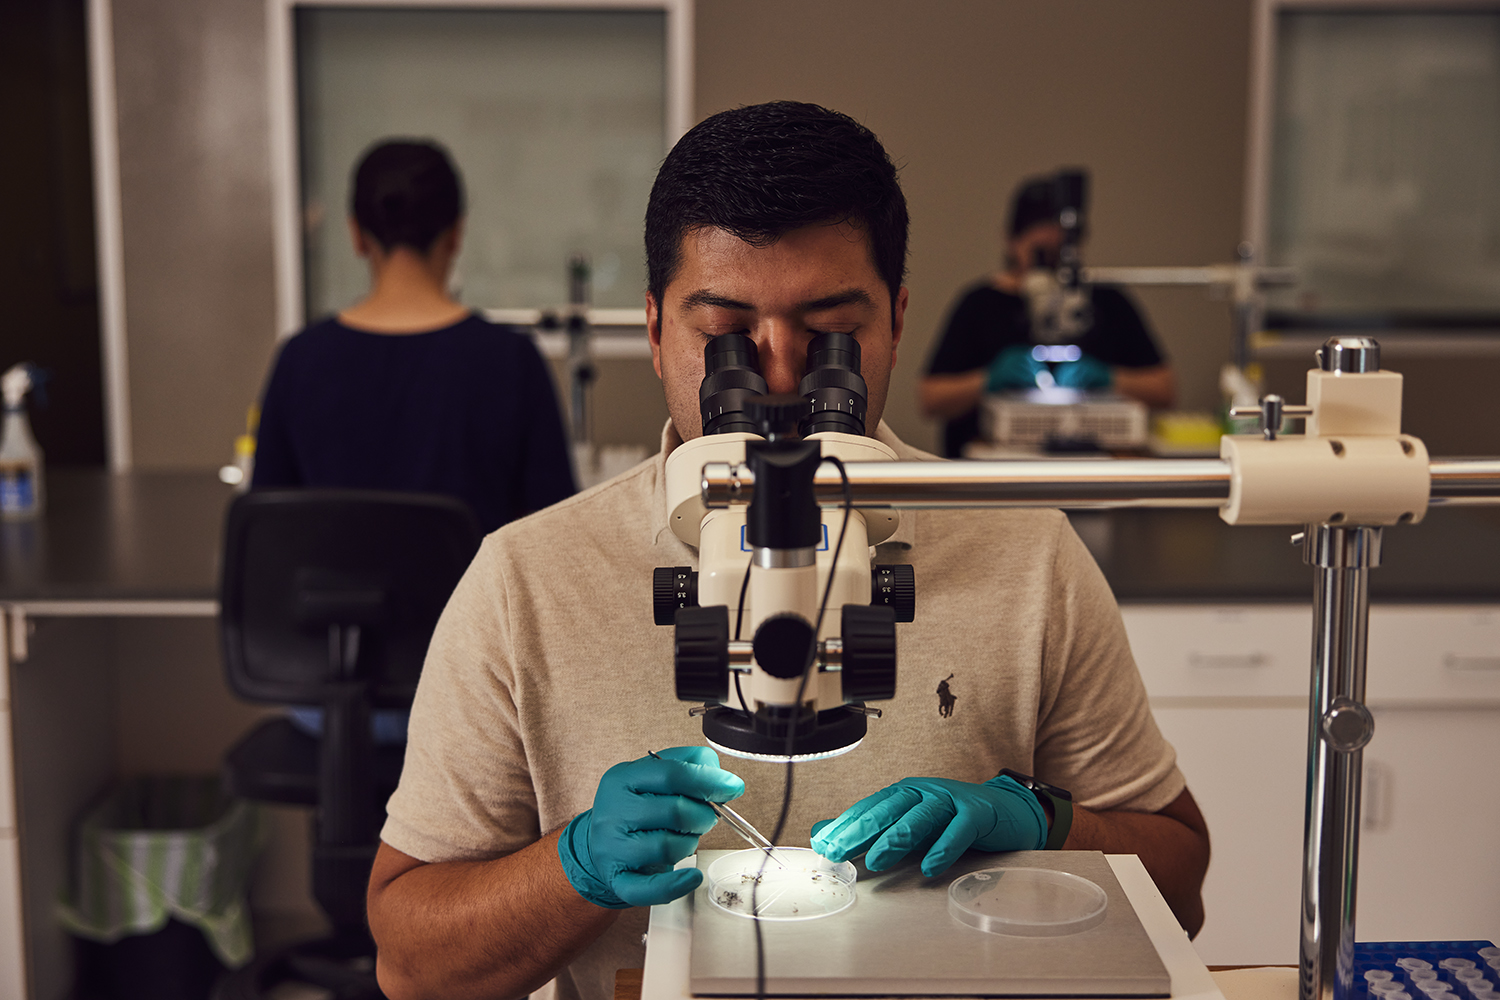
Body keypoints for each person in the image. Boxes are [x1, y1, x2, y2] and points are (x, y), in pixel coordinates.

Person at [366, 104, 1209, 1000]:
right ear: (654, 331)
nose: (776, 381)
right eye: (726, 336)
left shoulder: (1027, 553)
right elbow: (412, 966)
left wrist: (1040, 822)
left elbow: (1181, 882)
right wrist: (571, 867)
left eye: (828, 336)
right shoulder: (524, 581)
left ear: (894, 323)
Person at [252, 139, 576, 741]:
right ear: (455, 234)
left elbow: (269, 535)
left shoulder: (300, 362)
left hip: (326, 700)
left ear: (356, 234)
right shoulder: (509, 363)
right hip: (471, 702)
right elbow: (553, 544)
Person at [919, 174, 1177, 457]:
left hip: (1097, 468)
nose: (1047, 269)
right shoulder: (978, 304)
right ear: (1011, 241)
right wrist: (989, 379)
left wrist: (1109, 379)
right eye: (1040, 255)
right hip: (995, 470)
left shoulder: (1109, 301)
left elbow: (1164, 389)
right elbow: (930, 398)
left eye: (1056, 257)